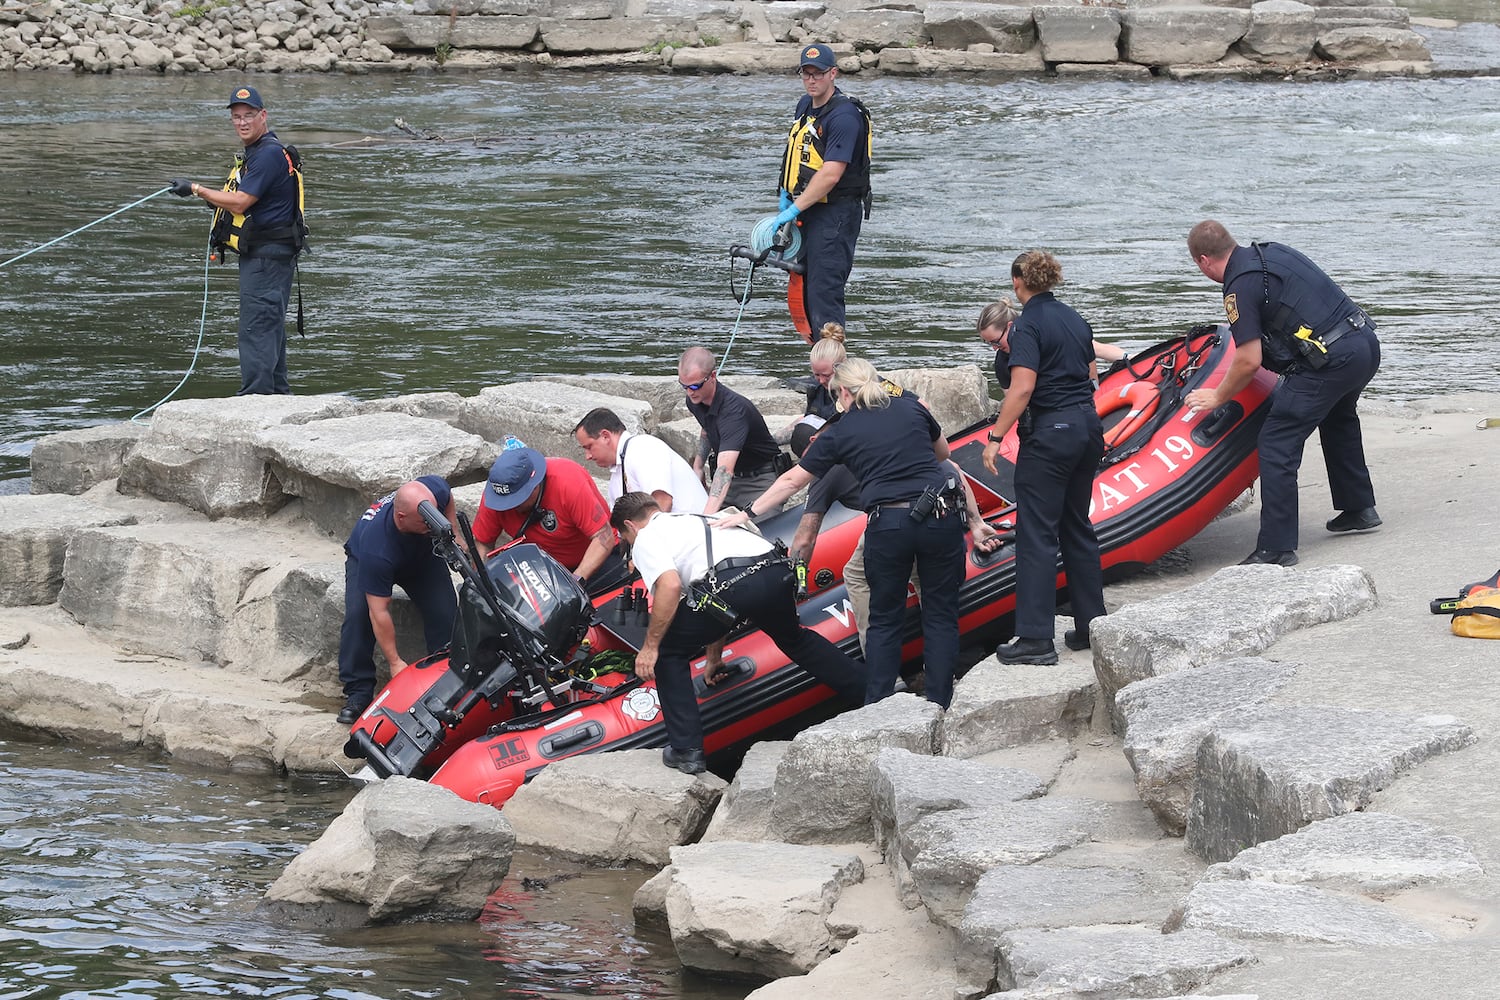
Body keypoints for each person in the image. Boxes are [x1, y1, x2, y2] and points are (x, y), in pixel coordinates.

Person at [720, 358, 969, 709]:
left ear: (845, 393)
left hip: (890, 524)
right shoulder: (912, 407)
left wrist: (745, 514)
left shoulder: (841, 430)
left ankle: (880, 704)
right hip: (940, 515)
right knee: (941, 613)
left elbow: (792, 480)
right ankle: (940, 700)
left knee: (884, 618)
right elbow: (942, 453)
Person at [610, 492, 865, 774]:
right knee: (794, 639)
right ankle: (870, 690)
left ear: (630, 526)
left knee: (668, 653)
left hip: (733, 585)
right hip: (773, 571)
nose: (631, 546)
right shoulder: (701, 518)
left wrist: (650, 647)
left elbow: (671, 587)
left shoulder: (646, 535)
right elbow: (712, 600)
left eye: (627, 541)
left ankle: (686, 750)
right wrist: (714, 658)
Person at [1183, 220, 1382, 567]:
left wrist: (1217, 396)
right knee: (1338, 417)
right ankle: (1358, 508)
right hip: (1363, 342)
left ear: (1203, 260)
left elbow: (1248, 360)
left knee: (1276, 441)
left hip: (1332, 361)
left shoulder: (1239, 286)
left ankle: (1276, 547)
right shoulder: (1273, 252)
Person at [980, 252, 1108, 665]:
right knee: (1077, 525)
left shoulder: (1028, 326)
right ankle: (1091, 625)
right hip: (1088, 428)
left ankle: (1035, 637)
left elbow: (1021, 388)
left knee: (1036, 533)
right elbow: (1090, 373)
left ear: (1018, 282)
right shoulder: (1074, 318)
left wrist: (996, 437)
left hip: (1051, 434)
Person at [170, 85, 306, 396]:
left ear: (263, 116)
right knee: (268, 327)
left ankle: (256, 401)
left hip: (266, 257)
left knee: (257, 328)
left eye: (249, 116)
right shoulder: (260, 153)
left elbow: (242, 201)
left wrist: (195, 189)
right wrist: (210, 198)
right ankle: (278, 397)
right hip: (268, 255)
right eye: (236, 117)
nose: (242, 122)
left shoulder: (268, 155)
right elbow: (241, 199)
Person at [771, 43, 872, 340]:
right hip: (808, 209)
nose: (812, 80)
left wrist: (793, 208)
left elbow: (830, 174)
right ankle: (819, 366)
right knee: (804, 288)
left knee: (824, 291)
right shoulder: (805, 105)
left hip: (836, 214)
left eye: (818, 73)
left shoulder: (844, 116)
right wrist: (786, 197)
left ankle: (833, 375)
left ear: (833, 74)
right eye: (806, 73)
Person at [337, 477, 459, 724]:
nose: (431, 523)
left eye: (433, 516)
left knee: (446, 614)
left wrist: (452, 532)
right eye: (425, 520)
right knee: (358, 616)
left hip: (423, 556)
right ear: (402, 517)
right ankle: (358, 693)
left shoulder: (433, 492)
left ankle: (447, 684)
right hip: (369, 559)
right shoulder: (376, 547)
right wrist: (395, 662)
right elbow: (378, 612)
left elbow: (447, 497)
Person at [472, 447, 622, 590]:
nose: (510, 506)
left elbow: (604, 536)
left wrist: (576, 580)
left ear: (535, 485)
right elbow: (483, 544)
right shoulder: (498, 496)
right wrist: (482, 582)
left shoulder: (568, 482)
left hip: (594, 560)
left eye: (516, 500)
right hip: (541, 567)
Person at [678, 346, 788, 517]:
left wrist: (706, 520)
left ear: (712, 376)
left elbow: (724, 471)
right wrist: (698, 466)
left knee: (761, 536)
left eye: (695, 386)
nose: (690, 392)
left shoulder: (733, 412)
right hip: (734, 480)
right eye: (684, 386)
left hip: (760, 481)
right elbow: (707, 429)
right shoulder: (694, 400)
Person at [573, 407, 707, 513]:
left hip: (694, 537)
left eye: (589, 447)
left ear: (605, 436)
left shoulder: (642, 447)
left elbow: (662, 502)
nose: (588, 456)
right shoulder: (617, 474)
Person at [977, 299, 1128, 390]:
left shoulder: (1043, 334)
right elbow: (1013, 398)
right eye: (988, 343)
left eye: (996, 341)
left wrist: (1130, 358)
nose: (994, 348)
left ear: (1010, 326)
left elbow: (1095, 348)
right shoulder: (1002, 363)